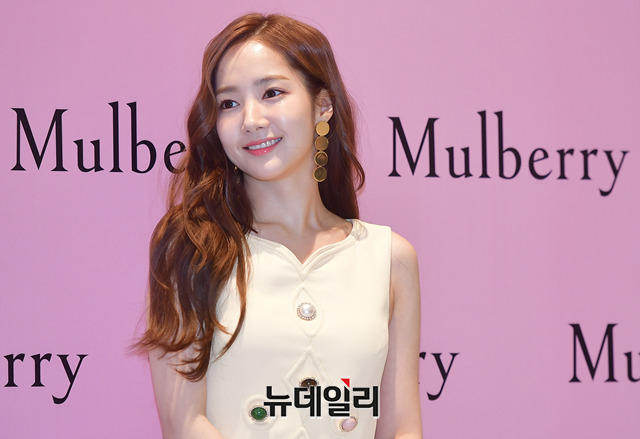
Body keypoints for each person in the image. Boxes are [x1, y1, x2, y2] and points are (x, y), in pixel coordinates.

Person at [136, 13, 422, 438]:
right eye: (229, 103)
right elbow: (184, 423)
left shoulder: (390, 259)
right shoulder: (191, 247)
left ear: (322, 105)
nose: (250, 119)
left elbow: (401, 427)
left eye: (271, 93)